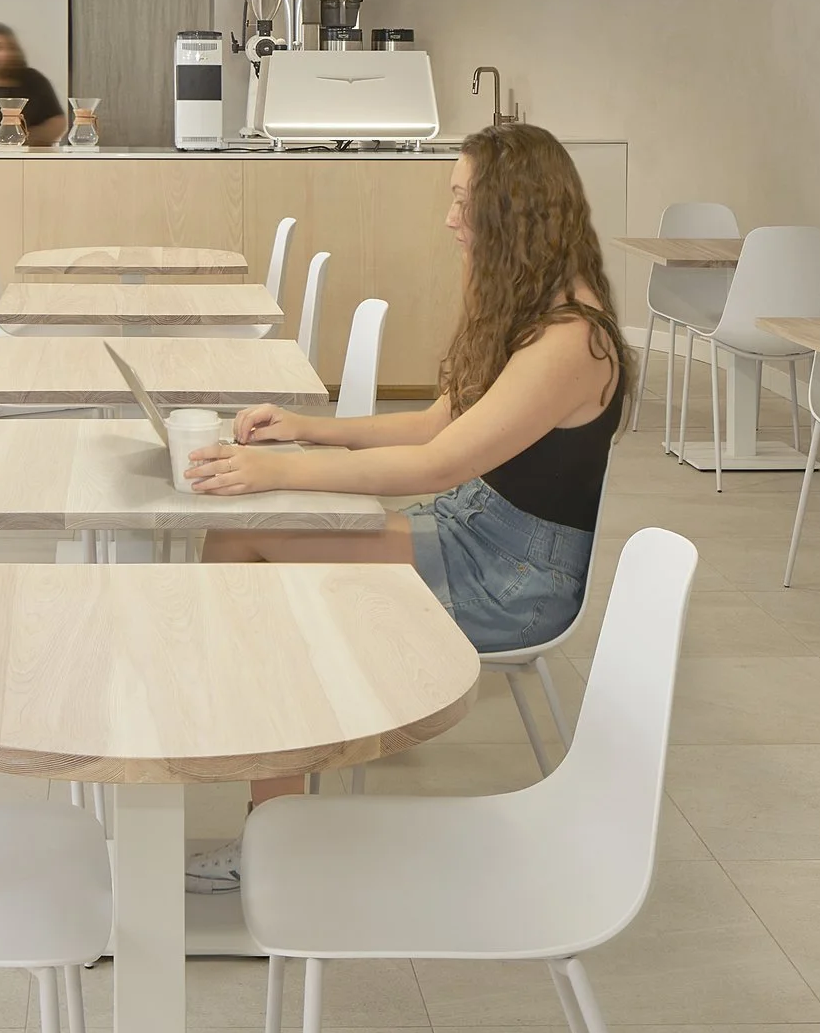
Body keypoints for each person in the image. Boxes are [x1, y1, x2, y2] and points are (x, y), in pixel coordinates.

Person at [179, 121, 627, 893]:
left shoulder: (570, 341)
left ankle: (273, 824)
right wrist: (305, 429)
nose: (450, 218)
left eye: (463, 201)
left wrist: (277, 471)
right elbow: (435, 422)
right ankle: (274, 771)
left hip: (512, 579)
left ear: (515, 211)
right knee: (253, 546)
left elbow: (437, 461)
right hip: (475, 533)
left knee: (249, 542)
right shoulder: (537, 308)